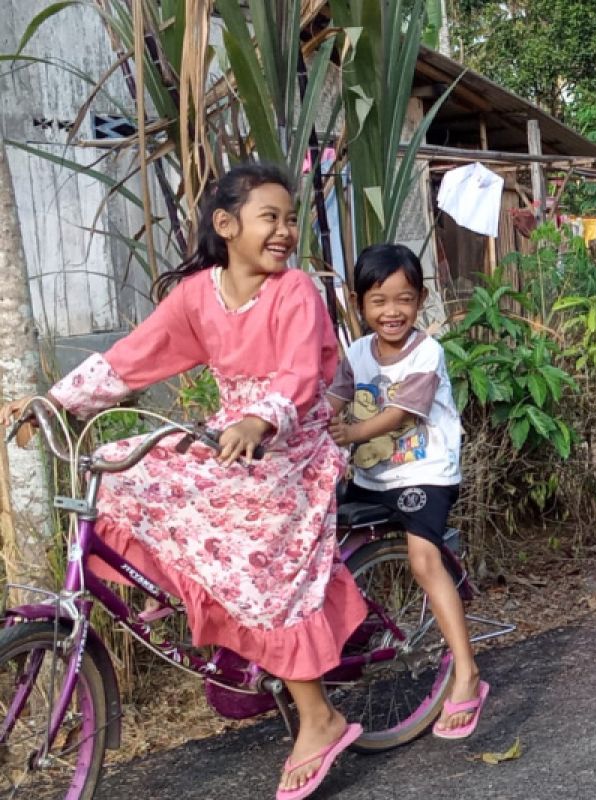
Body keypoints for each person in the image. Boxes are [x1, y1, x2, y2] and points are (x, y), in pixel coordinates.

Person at [1, 163, 368, 800]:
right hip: (232, 437)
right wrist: (56, 403)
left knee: (257, 559)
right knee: (122, 464)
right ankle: (188, 591)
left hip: (293, 444)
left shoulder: (295, 291)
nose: (284, 231)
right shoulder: (199, 294)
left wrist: (263, 417)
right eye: (270, 218)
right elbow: (134, 355)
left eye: (289, 219)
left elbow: (301, 373)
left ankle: (319, 717)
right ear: (226, 226)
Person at [327, 244, 488, 738]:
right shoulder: (354, 353)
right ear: (359, 304)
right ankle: (359, 634)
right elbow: (334, 397)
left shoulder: (427, 351)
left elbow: (402, 413)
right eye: (379, 301)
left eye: (403, 299)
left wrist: (351, 434)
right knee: (325, 550)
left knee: (423, 561)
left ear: (419, 301)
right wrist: (312, 419)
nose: (391, 311)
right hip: (374, 477)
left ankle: (466, 671)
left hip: (426, 474)